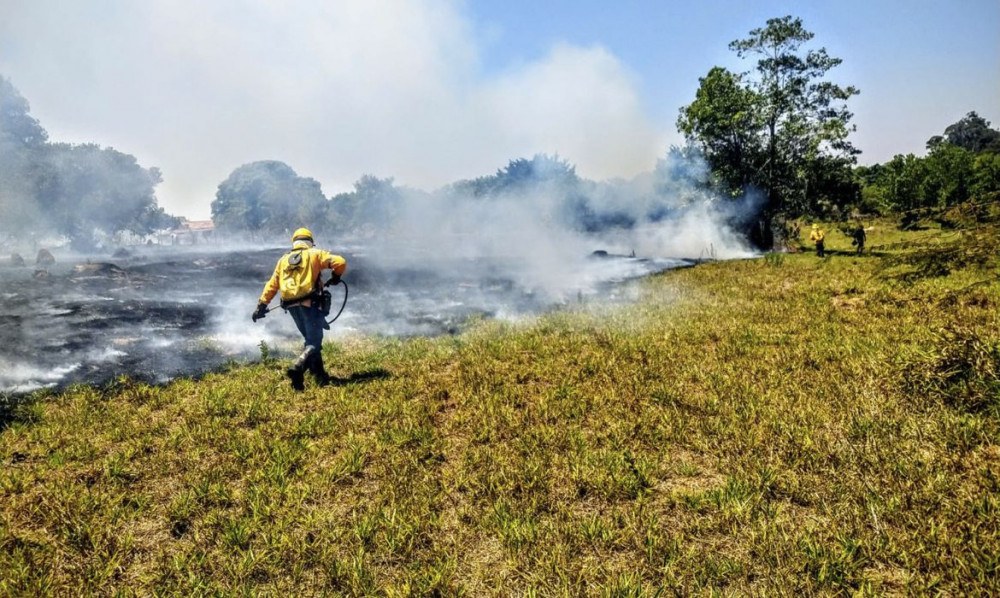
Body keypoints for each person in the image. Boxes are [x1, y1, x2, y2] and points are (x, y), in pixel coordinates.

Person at [253, 228, 347, 390]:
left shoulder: (283, 260)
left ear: (294, 242)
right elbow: (340, 262)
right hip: (310, 304)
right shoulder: (315, 254)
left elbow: (272, 285)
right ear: (310, 242)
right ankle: (298, 367)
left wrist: (261, 306)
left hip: (291, 306)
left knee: (310, 339)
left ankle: (318, 376)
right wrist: (336, 277)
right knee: (314, 341)